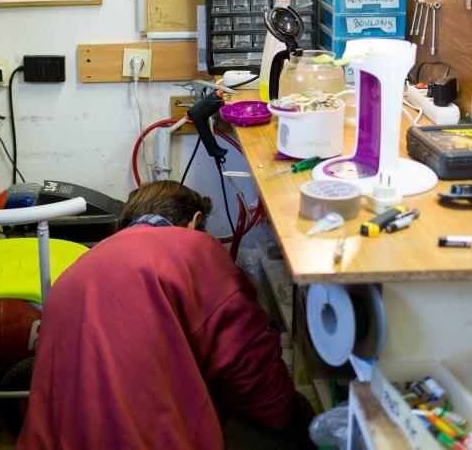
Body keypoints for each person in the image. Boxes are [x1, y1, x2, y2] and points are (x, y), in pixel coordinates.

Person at [18, 181, 314, 449]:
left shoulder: (73, 273)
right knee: (294, 413)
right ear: (195, 222)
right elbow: (261, 385)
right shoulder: (193, 248)